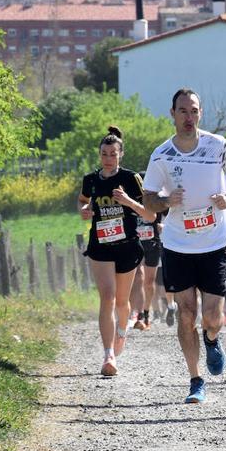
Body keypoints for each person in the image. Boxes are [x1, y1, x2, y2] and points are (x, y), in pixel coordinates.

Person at [142, 88, 226, 404]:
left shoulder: (217, 146)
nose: (189, 117)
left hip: (214, 241)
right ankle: (195, 379)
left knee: (213, 315)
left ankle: (212, 339)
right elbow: (148, 198)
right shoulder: (161, 154)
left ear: (200, 114)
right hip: (177, 244)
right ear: (172, 114)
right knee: (186, 312)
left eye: (194, 111)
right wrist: (164, 200)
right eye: (183, 111)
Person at [79, 126, 155, 376]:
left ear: (121, 154)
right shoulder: (90, 179)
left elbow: (149, 213)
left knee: (122, 301)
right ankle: (108, 354)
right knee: (108, 297)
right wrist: (85, 210)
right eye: (104, 154)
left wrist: (126, 201)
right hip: (100, 245)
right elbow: (83, 201)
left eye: (113, 154)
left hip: (127, 246)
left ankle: (122, 329)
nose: (108, 158)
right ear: (99, 154)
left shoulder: (131, 178)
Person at [130, 206, 163, 331]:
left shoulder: (154, 196)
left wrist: (164, 225)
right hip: (135, 242)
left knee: (149, 282)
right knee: (138, 277)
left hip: (152, 243)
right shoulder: (130, 194)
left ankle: (146, 312)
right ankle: (136, 314)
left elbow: (170, 212)